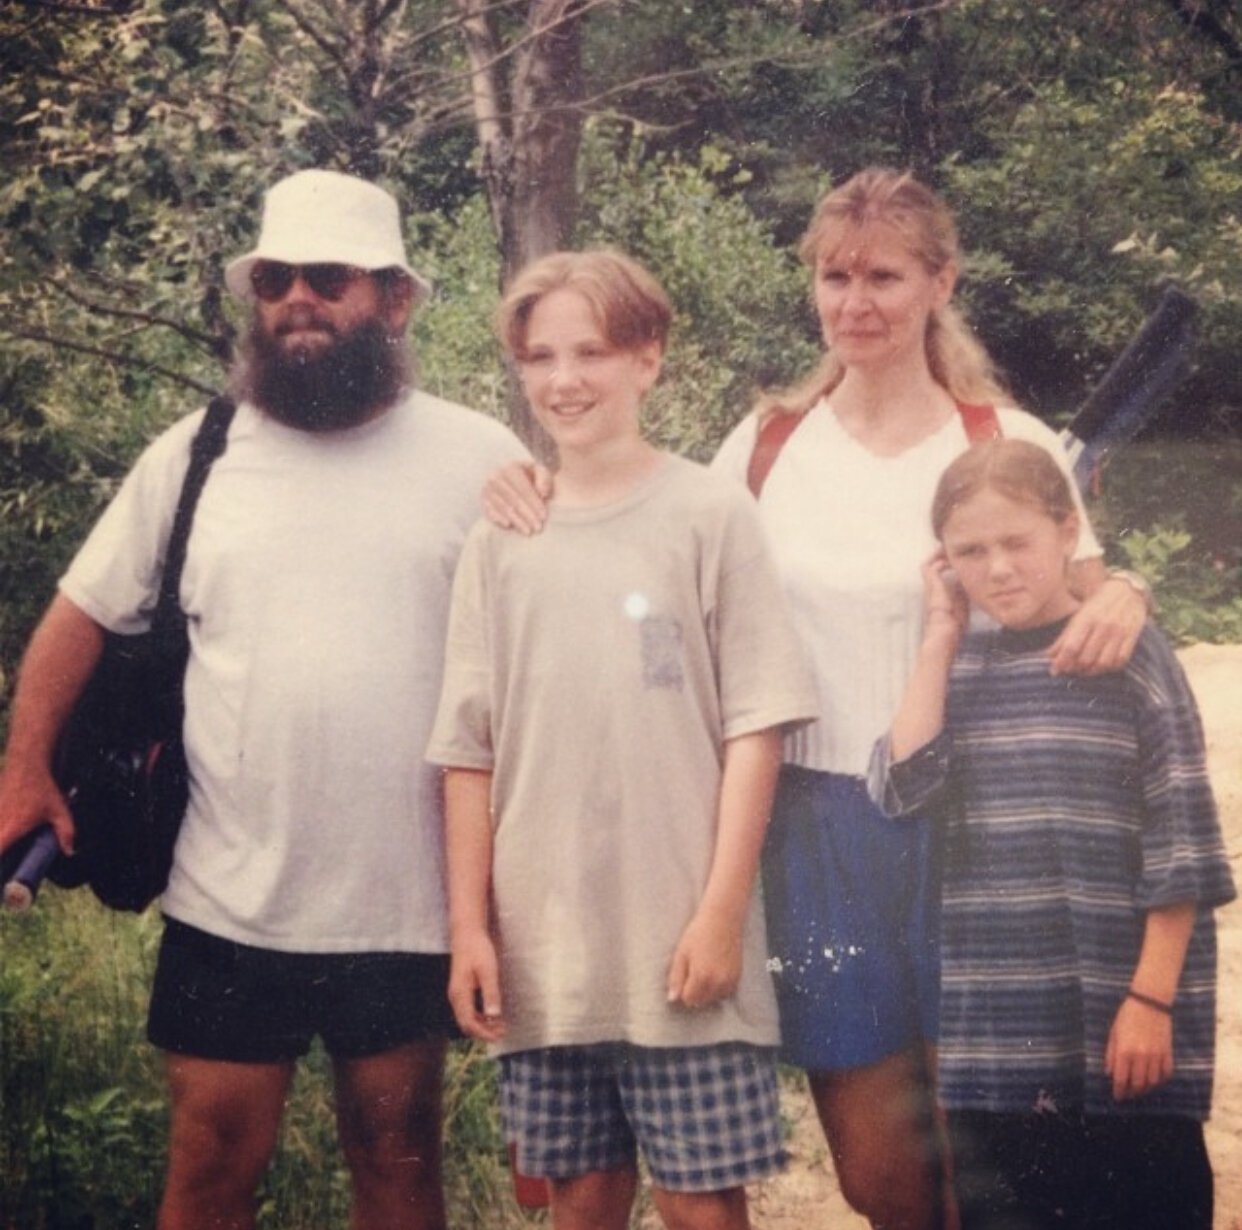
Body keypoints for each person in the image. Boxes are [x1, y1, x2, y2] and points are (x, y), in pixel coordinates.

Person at [481, 168, 1151, 1230]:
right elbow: (647, 552)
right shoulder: (765, 445)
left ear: (941, 282)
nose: (857, 303)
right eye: (835, 277)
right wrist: (534, 490)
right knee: (878, 1169)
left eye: (884, 275)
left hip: (978, 825)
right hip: (816, 826)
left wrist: (1128, 586)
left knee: (989, 1151)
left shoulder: (999, 436)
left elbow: (1077, 592)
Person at [0, 168, 526, 1230]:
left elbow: (554, 652)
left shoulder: (481, 459)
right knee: (208, 1167)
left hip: (411, 900)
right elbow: (80, 615)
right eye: (276, 278)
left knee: (397, 1163)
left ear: (395, 299)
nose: (297, 300)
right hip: (229, 896)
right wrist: (23, 767)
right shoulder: (198, 453)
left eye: (328, 278)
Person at [426, 249, 817, 1230]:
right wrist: (472, 928)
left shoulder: (708, 514)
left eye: (592, 352)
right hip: (545, 947)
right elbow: (468, 752)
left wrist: (722, 912)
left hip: (681, 937)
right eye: (542, 356)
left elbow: (756, 725)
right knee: (580, 1200)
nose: (565, 380)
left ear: (649, 360)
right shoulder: (499, 541)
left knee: (700, 1205)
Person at [872, 438, 1235, 1230]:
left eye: (1016, 542)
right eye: (970, 551)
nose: (997, 568)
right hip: (998, 1042)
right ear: (942, 561)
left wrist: (1150, 1000)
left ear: (1068, 531)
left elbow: (1186, 847)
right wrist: (938, 638)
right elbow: (902, 791)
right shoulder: (952, 668)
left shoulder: (1130, 656)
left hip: (1125, 1024)